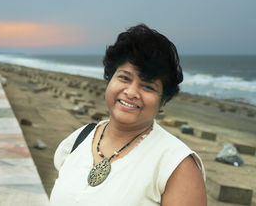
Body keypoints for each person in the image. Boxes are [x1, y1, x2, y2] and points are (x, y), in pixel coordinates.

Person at [50, 24, 207, 205]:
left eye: (148, 86)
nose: (131, 92)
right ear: (109, 79)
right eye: (124, 78)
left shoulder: (176, 165)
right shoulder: (80, 139)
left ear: (163, 100)